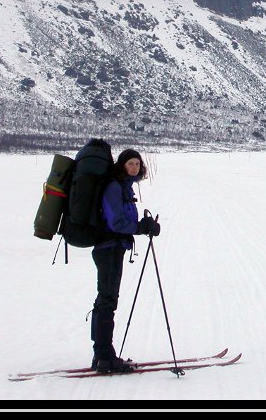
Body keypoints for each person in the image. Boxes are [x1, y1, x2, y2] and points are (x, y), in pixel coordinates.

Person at [90, 148, 161, 373]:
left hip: (114, 247)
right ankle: (104, 356)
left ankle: (102, 354)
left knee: (107, 299)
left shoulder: (124, 187)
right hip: (108, 247)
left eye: (137, 164)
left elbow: (122, 220)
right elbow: (116, 223)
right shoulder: (114, 187)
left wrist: (142, 225)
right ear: (122, 165)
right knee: (107, 300)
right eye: (130, 163)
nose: (134, 167)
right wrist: (140, 227)